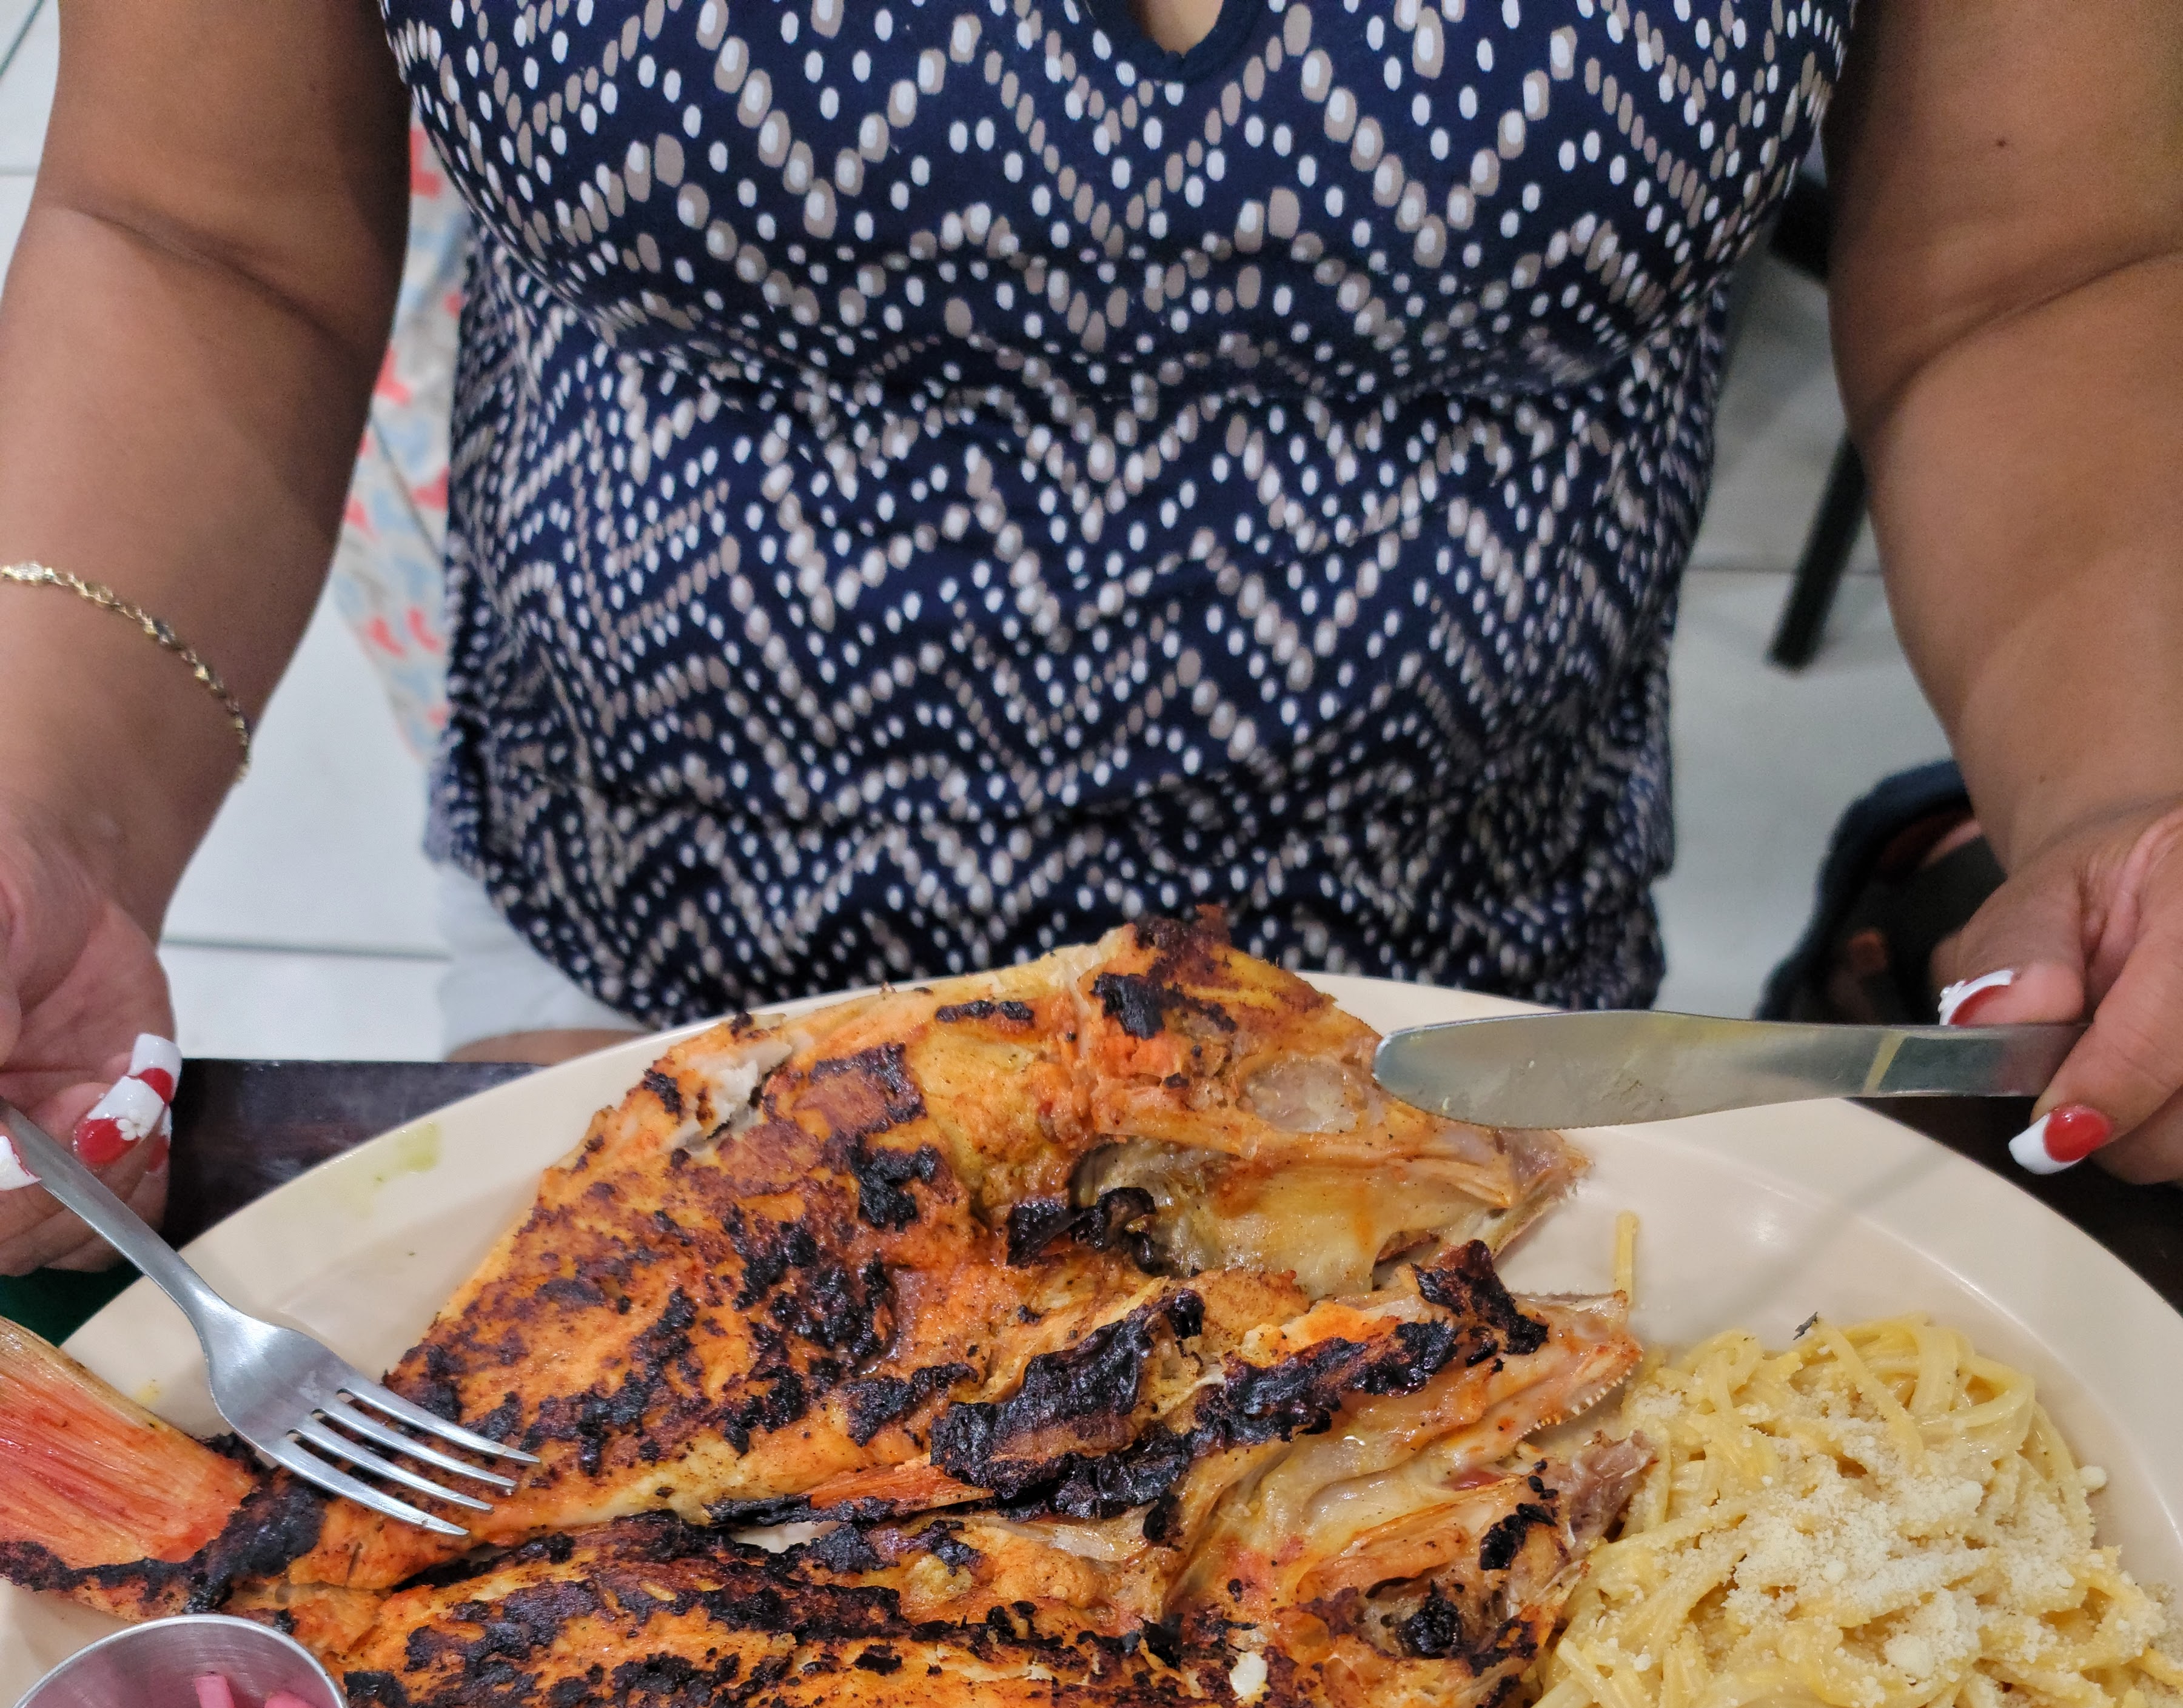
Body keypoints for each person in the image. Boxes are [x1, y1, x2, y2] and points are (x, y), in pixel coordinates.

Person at [1, 0, 2178, 1277]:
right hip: (644, 975)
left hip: (1447, 1027)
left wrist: (2122, 792)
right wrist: (44, 802)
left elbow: (2038, 264)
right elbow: (201, 223)